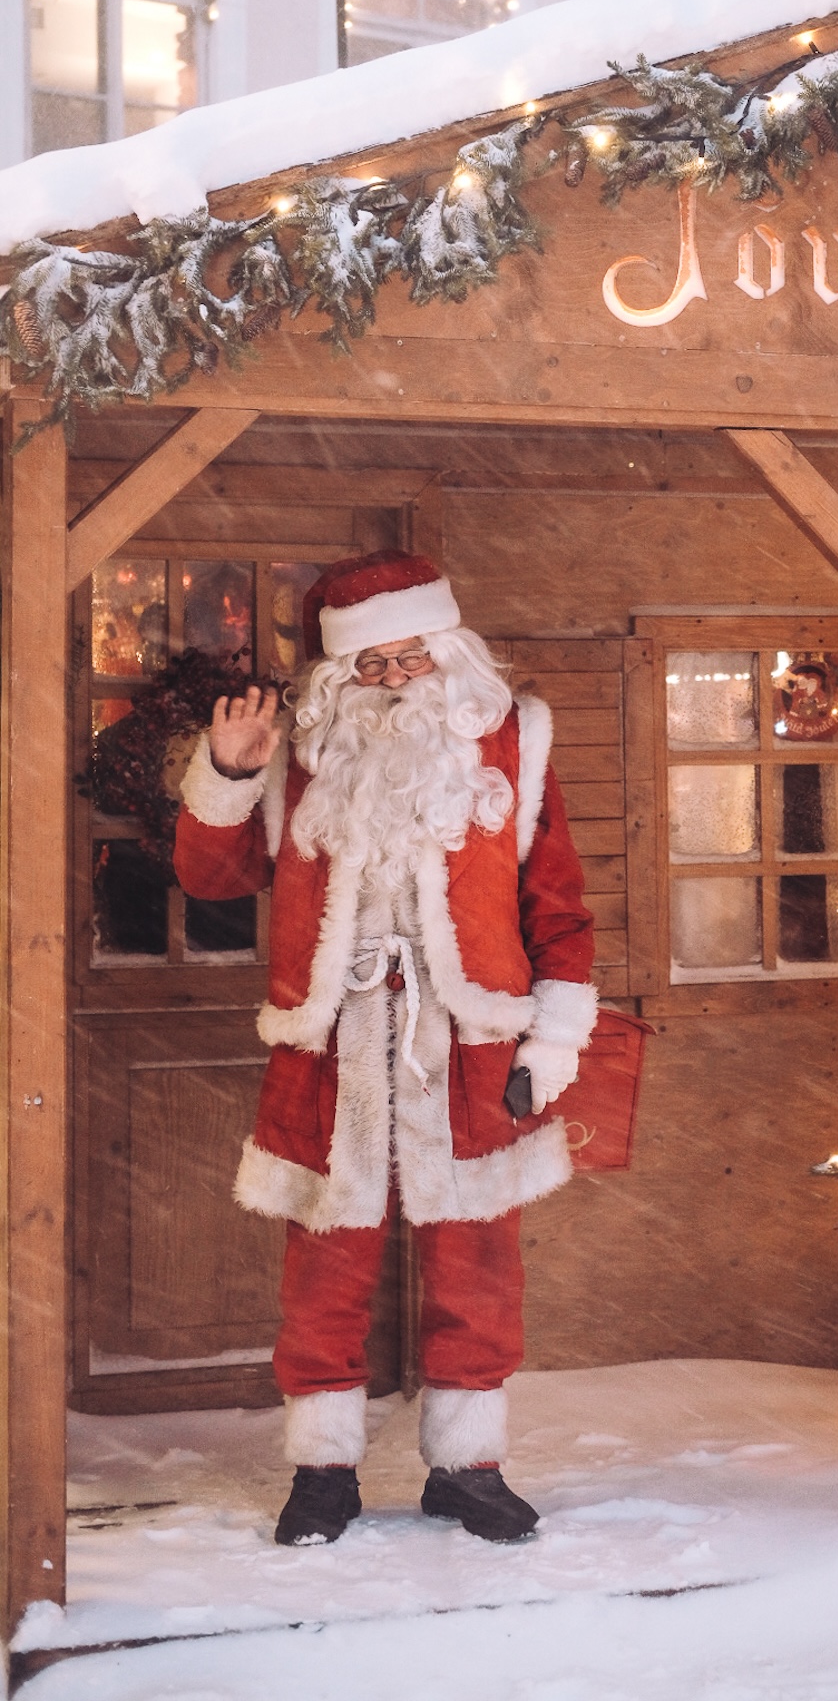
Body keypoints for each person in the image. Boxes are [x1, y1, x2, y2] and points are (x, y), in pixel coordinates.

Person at [174, 551, 596, 1547]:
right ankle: (323, 1473)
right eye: (372, 667)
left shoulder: (514, 745)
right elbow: (215, 880)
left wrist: (555, 1032)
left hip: (472, 1039)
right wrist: (230, 768)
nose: (397, 680)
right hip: (332, 1044)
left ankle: (467, 1467)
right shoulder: (297, 759)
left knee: (477, 1264)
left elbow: (558, 907)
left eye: (412, 657)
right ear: (337, 679)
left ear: (448, 649)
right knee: (324, 1265)